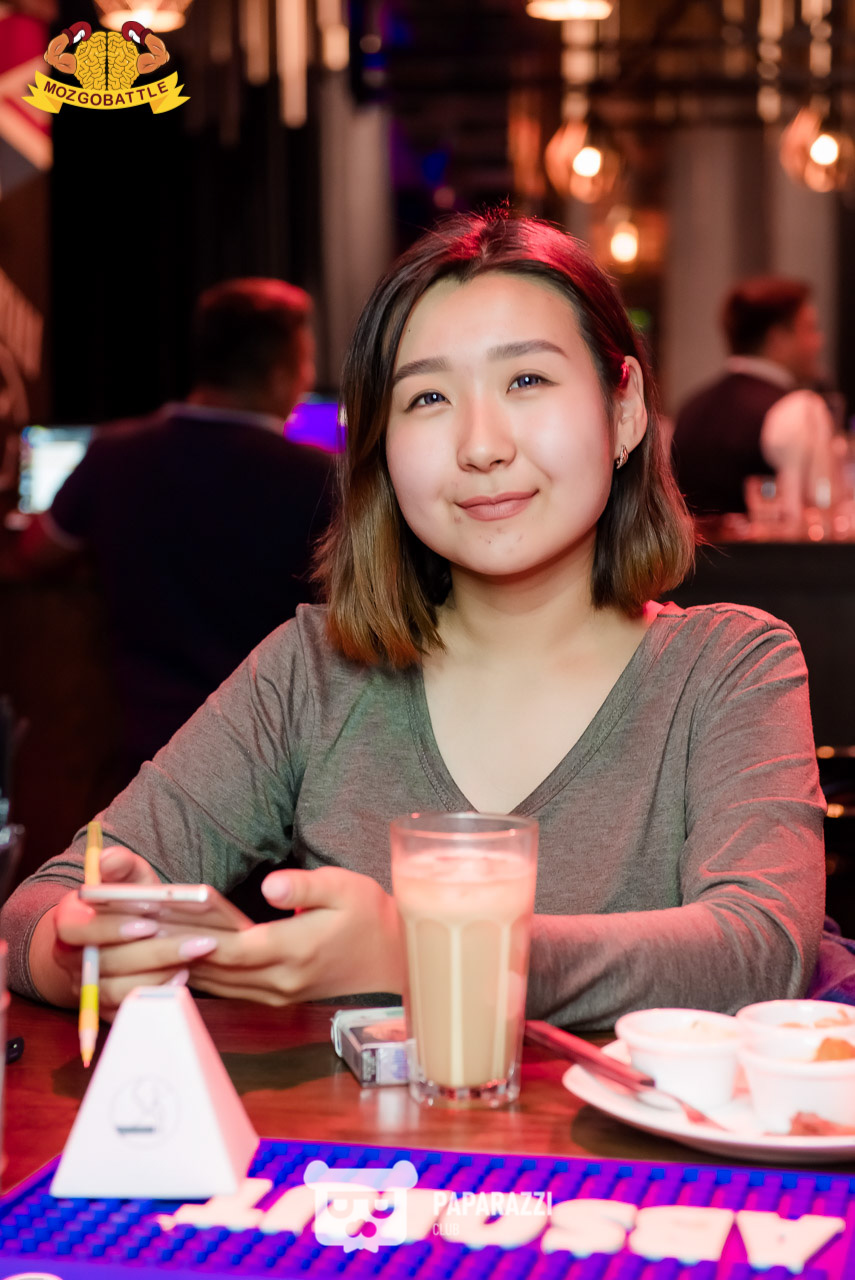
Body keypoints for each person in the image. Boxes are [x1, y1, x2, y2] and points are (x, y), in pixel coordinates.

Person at [0, 212, 826, 1030]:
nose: (481, 445)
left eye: (527, 381)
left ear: (625, 409)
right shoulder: (313, 671)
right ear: (381, 448)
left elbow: (760, 947)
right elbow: (45, 903)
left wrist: (423, 953)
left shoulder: (727, 666)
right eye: (427, 397)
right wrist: (89, 951)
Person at [8, 278, 333, 778]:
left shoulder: (112, 456)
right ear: (280, 373)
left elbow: (34, 554)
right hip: (279, 770)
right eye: (305, 363)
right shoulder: (321, 479)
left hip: (149, 764)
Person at [671, 277, 836, 518]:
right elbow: (820, 511)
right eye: (809, 329)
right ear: (778, 339)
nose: (819, 342)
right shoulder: (799, 409)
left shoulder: (690, 408)